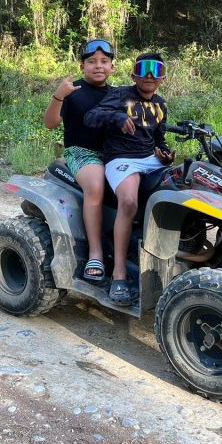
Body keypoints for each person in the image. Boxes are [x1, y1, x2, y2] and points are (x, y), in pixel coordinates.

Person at [84, 52, 176, 305]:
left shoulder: (161, 104)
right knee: (129, 201)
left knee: (180, 191)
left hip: (150, 160)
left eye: (155, 70)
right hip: (121, 158)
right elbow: (90, 117)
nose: (149, 76)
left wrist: (165, 153)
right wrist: (118, 117)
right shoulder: (120, 95)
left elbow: (158, 138)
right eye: (143, 69)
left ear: (163, 77)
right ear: (133, 74)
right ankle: (119, 274)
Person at [44, 39, 115, 282]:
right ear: (82, 65)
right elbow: (50, 123)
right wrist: (59, 95)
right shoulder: (72, 91)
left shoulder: (117, 94)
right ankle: (95, 253)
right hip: (81, 152)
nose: (98, 66)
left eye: (104, 62)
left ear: (112, 67)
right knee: (96, 186)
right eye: (92, 61)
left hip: (113, 154)